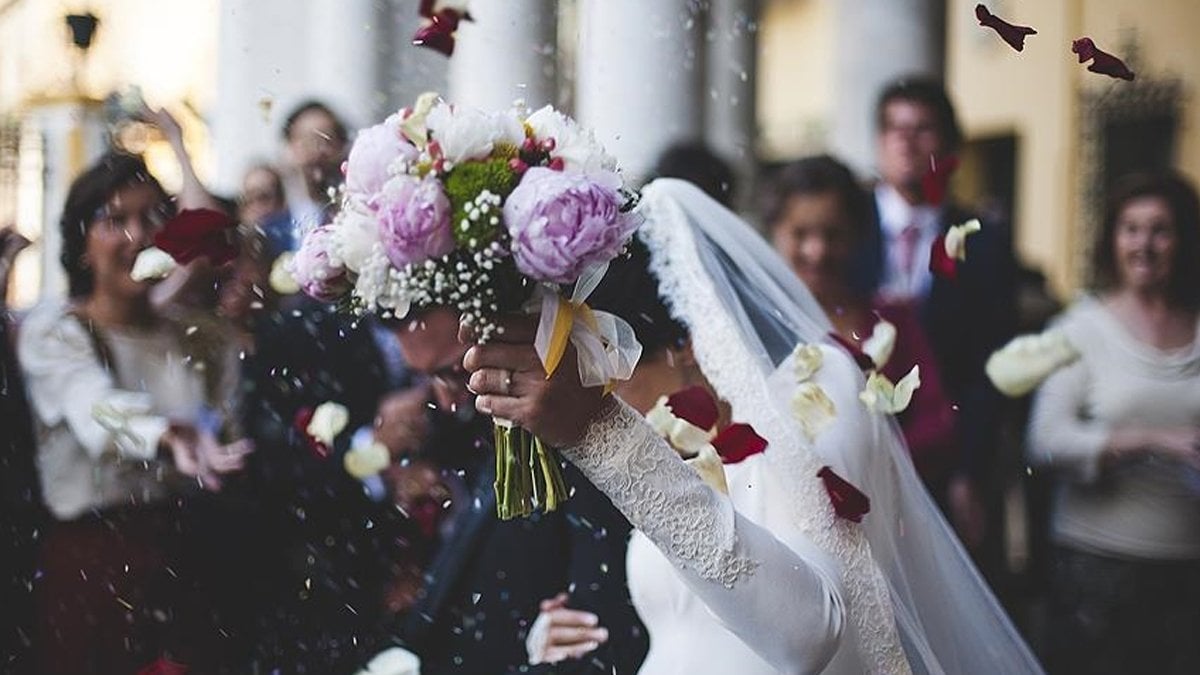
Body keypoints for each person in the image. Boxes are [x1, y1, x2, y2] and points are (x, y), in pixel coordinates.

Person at [467, 178, 1043, 673]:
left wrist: (604, 435)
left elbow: (809, 633)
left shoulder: (822, 391)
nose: (612, 402)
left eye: (612, 375)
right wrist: (555, 637)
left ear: (686, 346)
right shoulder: (687, 453)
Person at [17, 153, 250, 673]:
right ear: (81, 246)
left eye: (152, 218)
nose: (138, 236)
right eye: (114, 220)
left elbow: (227, 422)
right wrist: (167, 435)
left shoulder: (196, 335)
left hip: (186, 555)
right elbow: (94, 408)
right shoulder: (57, 331)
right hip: (95, 562)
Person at [381, 308, 649, 675]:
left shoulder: (585, 438)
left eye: (456, 372)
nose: (444, 401)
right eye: (426, 380)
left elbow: (605, 635)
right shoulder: (471, 430)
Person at [1027, 171, 1200, 675]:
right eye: (1131, 229)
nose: (1144, 244)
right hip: (1097, 571)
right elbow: (1045, 442)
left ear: (1182, 240)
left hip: (1189, 570)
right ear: (1112, 240)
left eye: (1160, 230)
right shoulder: (1078, 330)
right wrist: (1153, 440)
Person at [851, 77, 1017, 554]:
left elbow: (992, 365)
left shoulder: (984, 242)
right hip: (858, 450)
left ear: (947, 142)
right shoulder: (844, 229)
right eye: (893, 128)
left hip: (948, 462)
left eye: (921, 128)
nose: (904, 140)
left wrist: (969, 469)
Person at [766, 155, 958, 493]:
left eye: (832, 234)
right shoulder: (755, 325)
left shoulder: (893, 322)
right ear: (774, 233)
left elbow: (937, 422)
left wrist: (867, 462)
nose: (817, 250)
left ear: (855, 235)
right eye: (800, 233)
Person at [281, 100, 349, 233]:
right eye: (307, 141)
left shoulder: (356, 220)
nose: (317, 152)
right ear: (289, 147)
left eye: (326, 141)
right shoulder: (272, 232)